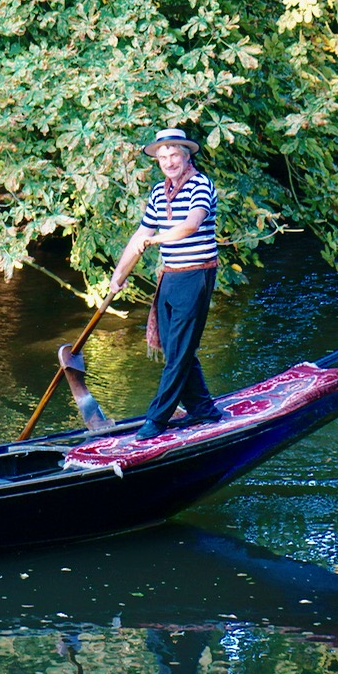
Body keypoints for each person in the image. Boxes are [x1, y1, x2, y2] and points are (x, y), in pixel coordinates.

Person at [109, 127, 222, 441]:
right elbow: (139, 235)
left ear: (186, 156)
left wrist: (154, 239)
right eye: (163, 156)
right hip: (171, 276)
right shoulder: (159, 192)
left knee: (179, 352)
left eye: (174, 154)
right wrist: (119, 276)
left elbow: (190, 225)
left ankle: (156, 419)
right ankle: (204, 410)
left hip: (196, 275)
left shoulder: (201, 185)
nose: (169, 161)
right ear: (158, 161)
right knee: (177, 351)